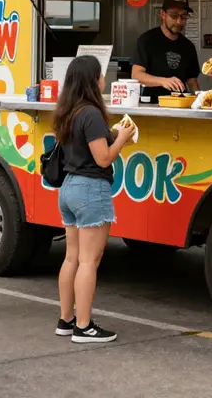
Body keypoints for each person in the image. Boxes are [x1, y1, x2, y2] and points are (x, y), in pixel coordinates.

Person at [54, 55, 135, 344]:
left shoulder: (69, 111)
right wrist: (123, 138)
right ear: (92, 80)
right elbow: (103, 159)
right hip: (90, 190)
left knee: (72, 257)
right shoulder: (91, 114)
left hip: (69, 187)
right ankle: (84, 326)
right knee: (90, 261)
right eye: (101, 75)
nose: (105, 80)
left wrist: (113, 135)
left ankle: (66, 319)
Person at [131, 0, 200, 103]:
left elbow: (192, 81)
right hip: (151, 104)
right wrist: (163, 81)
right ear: (163, 14)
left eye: (183, 16)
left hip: (180, 105)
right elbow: (136, 75)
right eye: (174, 16)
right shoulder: (147, 40)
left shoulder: (188, 46)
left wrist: (199, 101)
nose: (179, 21)